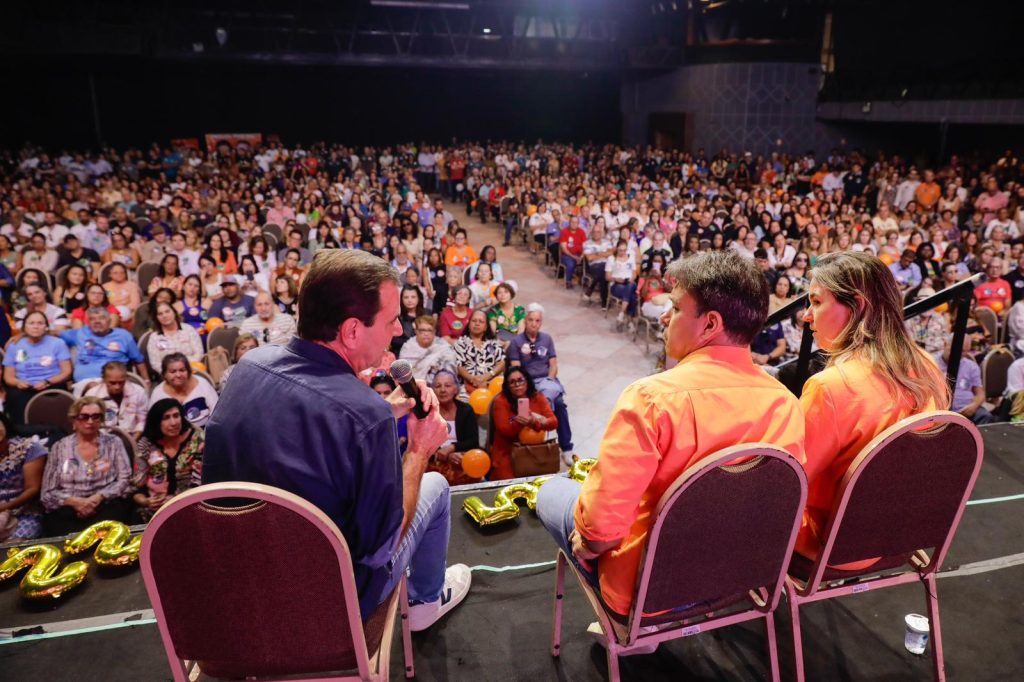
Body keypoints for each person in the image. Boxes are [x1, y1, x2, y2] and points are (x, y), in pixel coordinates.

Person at [535, 250, 805, 635]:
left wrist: (588, 546)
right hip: (740, 580)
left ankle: (631, 632)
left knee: (552, 490)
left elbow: (599, 531)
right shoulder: (785, 403)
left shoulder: (652, 398)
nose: (663, 317)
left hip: (648, 592)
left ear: (710, 323)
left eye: (676, 309)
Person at [203, 249, 471, 630]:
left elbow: (291, 432)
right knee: (437, 486)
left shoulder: (249, 366)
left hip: (236, 597)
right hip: (324, 609)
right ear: (351, 331)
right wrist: (418, 449)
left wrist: (376, 411)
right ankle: (426, 601)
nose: (398, 331)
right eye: (392, 320)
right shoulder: (365, 416)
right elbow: (382, 547)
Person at [797, 251, 950, 562]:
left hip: (833, 545)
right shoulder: (928, 366)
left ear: (857, 305)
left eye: (815, 302)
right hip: (902, 539)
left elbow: (791, 484)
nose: (806, 316)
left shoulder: (830, 387)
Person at [40, 397, 132, 536]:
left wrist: (99, 497)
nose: (90, 421)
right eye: (84, 417)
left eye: (96, 417)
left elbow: (124, 479)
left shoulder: (114, 442)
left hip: (105, 505)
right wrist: (75, 502)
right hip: (68, 508)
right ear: (74, 420)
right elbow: (47, 492)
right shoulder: (59, 447)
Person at [507, 303, 574, 462]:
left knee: (559, 404)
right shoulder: (516, 342)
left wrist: (549, 381)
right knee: (540, 403)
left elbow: (553, 365)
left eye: (537, 321)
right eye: (531, 320)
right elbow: (517, 370)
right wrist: (530, 387)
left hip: (546, 381)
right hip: (527, 384)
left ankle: (566, 448)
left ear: (541, 322)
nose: (534, 323)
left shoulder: (547, 339)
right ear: (525, 321)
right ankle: (536, 443)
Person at [131, 398, 204, 522]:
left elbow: (203, 482)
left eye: (176, 416)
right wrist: (145, 501)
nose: (173, 422)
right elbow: (137, 486)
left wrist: (177, 500)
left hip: (190, 503)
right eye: (166, 418)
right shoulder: (146, 443)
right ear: (156, 422)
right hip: (154, 508)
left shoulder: (197, 440)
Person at [3, 311, 73, 424]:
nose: (36, 326)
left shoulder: (58, 343)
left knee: (55, 397)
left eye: (40, 323)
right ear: (24, 326)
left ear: (46, 326)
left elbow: (67, 371)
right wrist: (18, 383)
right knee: (15, 396)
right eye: (31, 323)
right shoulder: (15, 345)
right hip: (24, 386)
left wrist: (47, 382)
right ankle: (23, 433)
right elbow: (8, 377)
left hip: (51, 383)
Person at [490, 366, 558, 481]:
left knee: (543, 484)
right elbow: (505, 429)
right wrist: (519, 420)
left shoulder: (537, 397)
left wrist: (535, 422)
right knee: (513, 488)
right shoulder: (501, 401)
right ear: (507, 385)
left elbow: (553, 422)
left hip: (535, 450)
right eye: (512, 382)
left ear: (527, 380)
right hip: (508, 452)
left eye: (520, 380)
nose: (517, 384)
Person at [61, 307, 149, 384]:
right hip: (84, 382)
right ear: (88, 323)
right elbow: (56, 334)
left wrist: (146, 381)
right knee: (92, 386)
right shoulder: (81, 333)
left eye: (101, 318)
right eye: (92, 319)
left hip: (114, 382)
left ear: (109, 321)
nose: (97, 321)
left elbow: (139, 360)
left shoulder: (123, 335)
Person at [427, 370, 482, 485]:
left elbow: (473, 442)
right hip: (434, 462)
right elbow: (423, 444)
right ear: (432, 391)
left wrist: (452, 448)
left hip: (462, 460)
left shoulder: (466, 410)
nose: (442, 390)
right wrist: (444, 455)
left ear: (456, 389)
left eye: (447, 385)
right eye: (438, 386)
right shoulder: (427, 413)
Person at [0, 412, 47, 540]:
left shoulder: (28, 448)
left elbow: (32, 488)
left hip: (24, 511)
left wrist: (5, 507)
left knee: (17, 545)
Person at [149, 353, 220, 428]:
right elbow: (153, 423)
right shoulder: (158, 393)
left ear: (188, 372)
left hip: (206, 431)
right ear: (164, 375)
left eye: (182, 370)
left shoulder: (202, 384)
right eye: (173, 372)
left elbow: (217, 413)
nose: (178, 375)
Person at [84, 361, 148, 439]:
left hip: (133, 436)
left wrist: (133, 441)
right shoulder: (92, 395)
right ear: (104, 379)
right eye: (112, 383)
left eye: (121, 382)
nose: (117, 387)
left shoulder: (138, 391)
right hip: (101, 438)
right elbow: (88, 423)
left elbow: (142, 420)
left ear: (126, 378)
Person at [453, 309, 506, 391]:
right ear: (469, 324)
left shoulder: (494, 344)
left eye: (481, 321)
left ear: (485, 327)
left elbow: (501, 363)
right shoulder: (460, 343)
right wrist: (473, 380)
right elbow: (459, 367)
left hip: (491, 385)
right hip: (467, 386)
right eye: (474, 321)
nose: (477, 324)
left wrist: (486, 377)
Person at [398, 314, 459, 384]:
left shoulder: (444, 347)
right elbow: (403, 374)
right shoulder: (408, 348)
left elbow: (451, 372)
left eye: (429, 330)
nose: (426, 334)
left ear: (434, 332)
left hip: (438, 388)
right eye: (422, 330)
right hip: (414, 387)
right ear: (416, 331)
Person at [147, 301, 204, 372]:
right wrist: (171, 372)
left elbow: (199, 353)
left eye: (167, 311)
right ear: (156, 318)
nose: (164, 316)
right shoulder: (154, 338)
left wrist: (184, 368)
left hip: (192, 370)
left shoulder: (188, 329)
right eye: (160, 314)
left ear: (174, 312)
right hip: (168, 375)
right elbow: (155, 363)